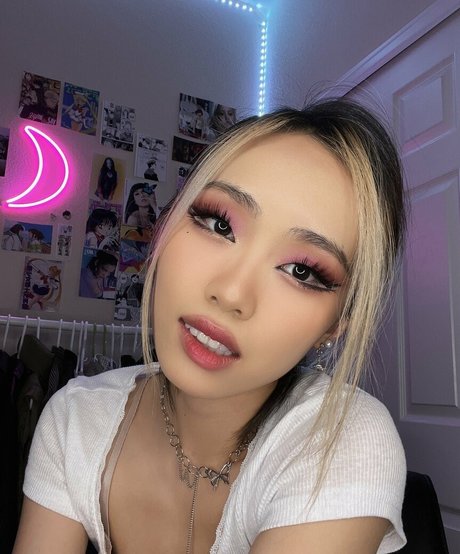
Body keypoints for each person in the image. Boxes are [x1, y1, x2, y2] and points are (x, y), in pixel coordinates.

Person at [14, 97, 408, 553]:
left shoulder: (343, 440)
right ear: (166, 223)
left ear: (336, 324)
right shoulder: (75, 420)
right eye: (219, 224)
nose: (232, 293)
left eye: (302, 271)